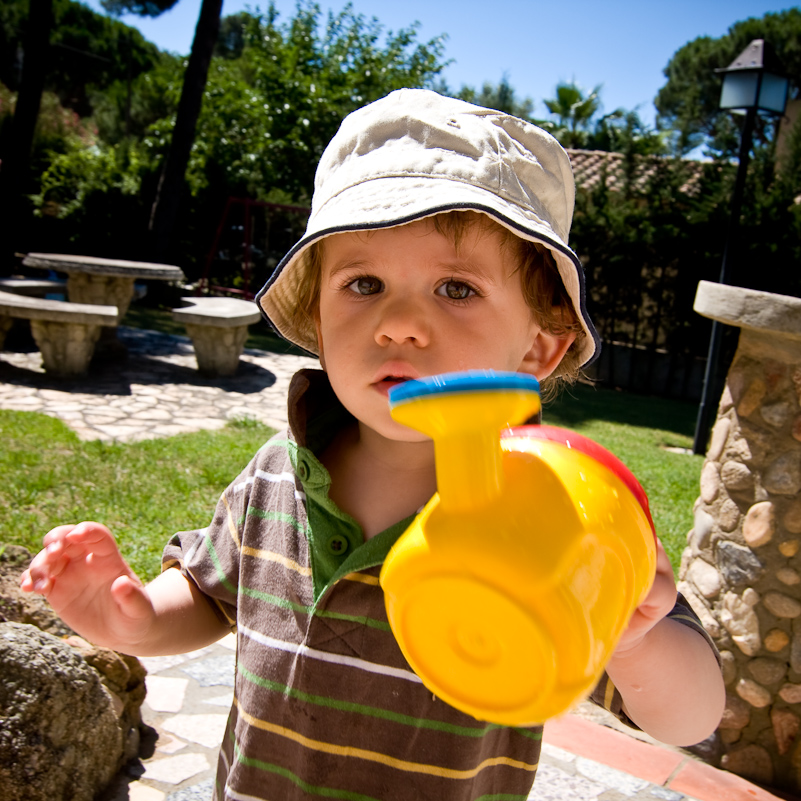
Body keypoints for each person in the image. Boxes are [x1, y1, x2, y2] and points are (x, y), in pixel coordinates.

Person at [21, 89, 725, 801]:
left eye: (455, 287)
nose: (398, 323)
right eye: (363, 282)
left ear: (539, 347)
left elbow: (688, 716)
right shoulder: (277, 471)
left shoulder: (554, 510)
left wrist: (636, 638)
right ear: (319, 323)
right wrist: (134, 616)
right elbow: (210, 592)